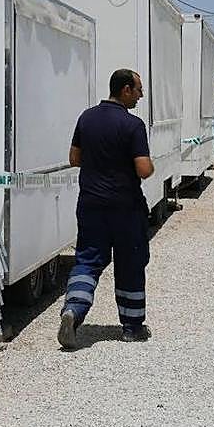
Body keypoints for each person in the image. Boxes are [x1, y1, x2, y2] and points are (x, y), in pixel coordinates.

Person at [58, 69, 155, 349]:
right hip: (126, 208)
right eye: (138, 90)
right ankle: (132, 327)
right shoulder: (133, 125)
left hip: (90, 204)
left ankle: (73, 312)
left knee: (87, 261)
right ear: (125, 89)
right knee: (130, 263)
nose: (140, 95)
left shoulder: (86, 118)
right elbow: (144, 169)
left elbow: (74, 158)